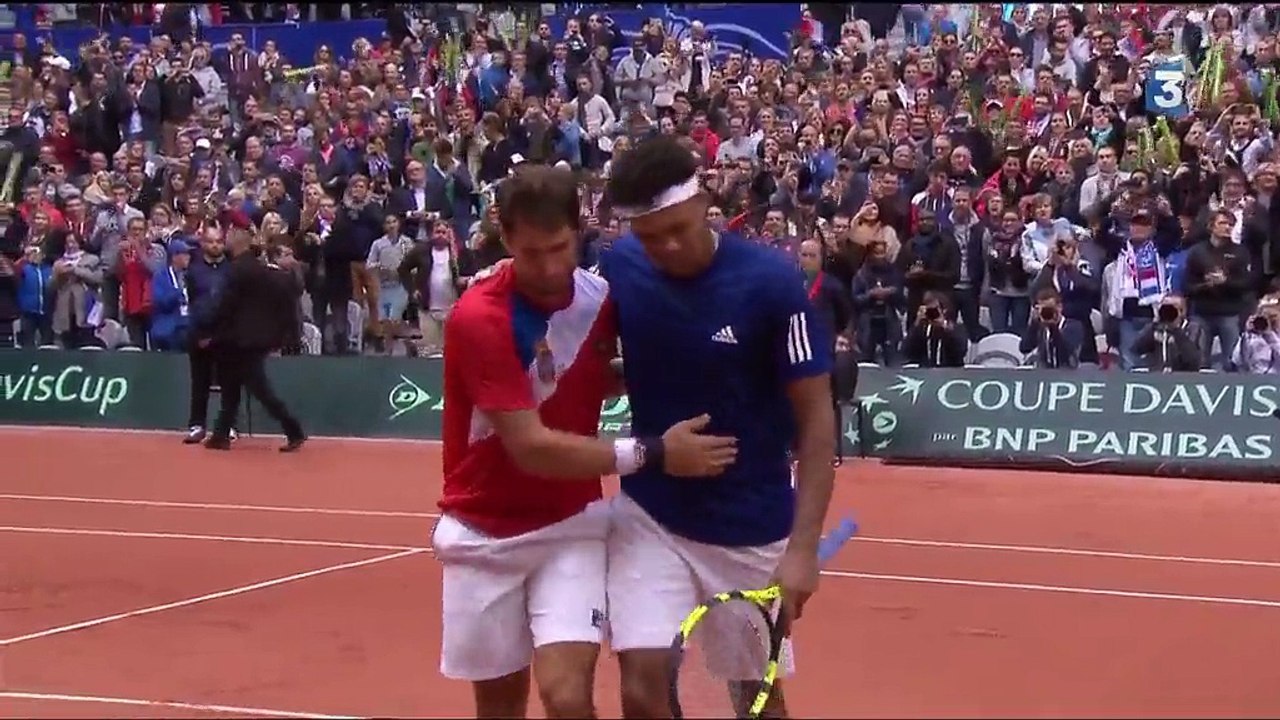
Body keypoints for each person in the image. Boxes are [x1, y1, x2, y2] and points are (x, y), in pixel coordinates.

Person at [435, 164, 736, 719]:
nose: (549, 268)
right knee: (498, 711)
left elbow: (623, 358)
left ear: (578, 232)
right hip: (480, 533)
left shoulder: (599, 299)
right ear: (505, 241)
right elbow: (531, 447)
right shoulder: (480, 316)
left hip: (571, 526)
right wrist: (656, 451)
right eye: (531, 253)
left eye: (558, 248)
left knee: (567, 697)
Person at [600, 135, 837, 719]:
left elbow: (815, 417)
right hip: (651, 516)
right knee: (641, 690)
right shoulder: (620, 266)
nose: (666, 248)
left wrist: (803, 549)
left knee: (757, 701)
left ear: (705, 200)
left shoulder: (772, 283)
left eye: (676, 229)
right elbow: (587, 354)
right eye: (648, 237)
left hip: (750, 525)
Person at [195, 228, 306, 452]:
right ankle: (221, 434)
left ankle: (293, 429)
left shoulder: (236, 270)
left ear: (236, 243)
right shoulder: (261, 269)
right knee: (230, 388)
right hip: (249, 339)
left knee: (259, 390)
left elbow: (225, 306)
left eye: (227, 238)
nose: (225, 241)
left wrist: (208, 331)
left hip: (238, 340)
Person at [798, 238, 853, 466]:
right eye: (804, 255)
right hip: (795, 352)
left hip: (824, 352)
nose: (807, 260)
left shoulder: (831, 285)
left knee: (827, 401)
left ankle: (829, 448)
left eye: (813, 256)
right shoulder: (789, 283)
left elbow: (847, 317)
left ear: (821, 259)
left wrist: (841, 336)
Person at [183, 225, 233, 444]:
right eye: (211, 241)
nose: (215, 245)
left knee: (228, 383)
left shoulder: (231, 270)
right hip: (200, 334)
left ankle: (227, 425)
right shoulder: (193, 271)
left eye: (219, 241)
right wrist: (201, 333)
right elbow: (193, 304)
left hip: (226, 335)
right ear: (203, 244)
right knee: (200, 382)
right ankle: (197, 425)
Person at [1020, 288, 1085, 369]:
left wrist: (1053, 328)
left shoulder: (1074, 326)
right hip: (1045, 374)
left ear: (1060, 307)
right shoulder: (1040, 328)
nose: (1047, 312)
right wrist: (1034, 324)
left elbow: (1066, 354)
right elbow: (1024, 348)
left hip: (1067, 373)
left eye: (1050, 309)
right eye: (1044, 309)